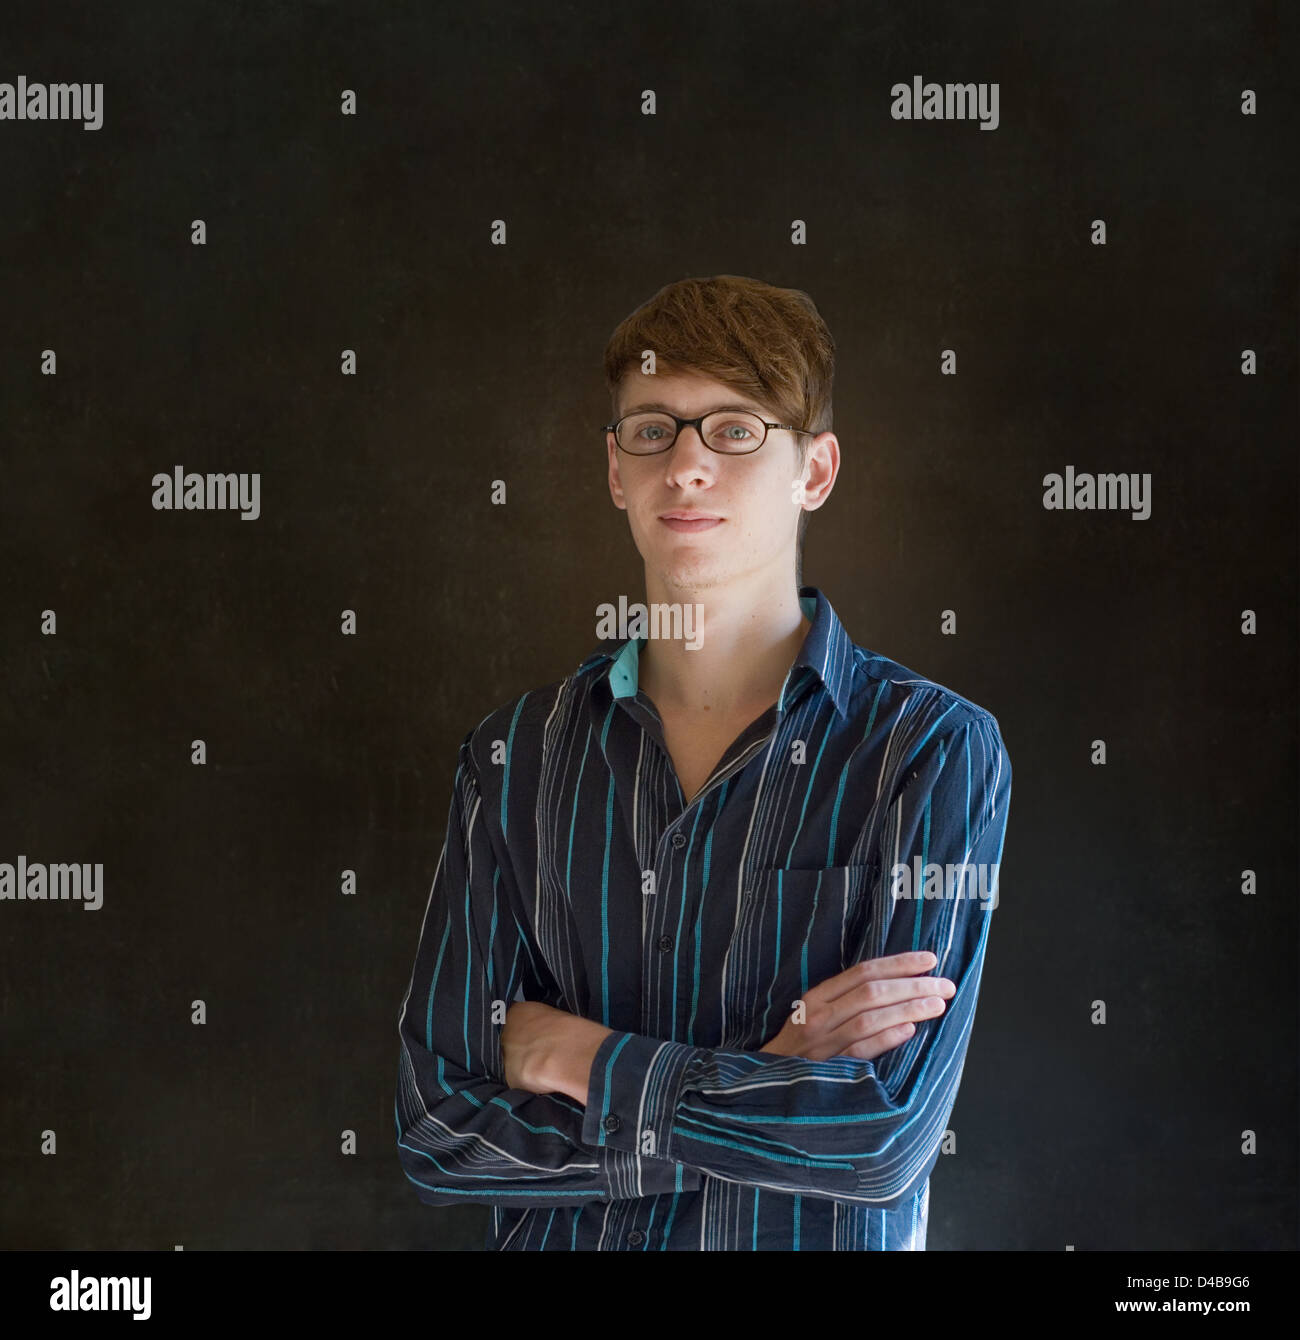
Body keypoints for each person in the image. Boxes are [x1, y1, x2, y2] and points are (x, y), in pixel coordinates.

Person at [395, 274, 1012, 1250]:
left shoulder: (928, 750)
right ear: (614, 468)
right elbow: (439, 1134)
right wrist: (768, 1076)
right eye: (652, 429)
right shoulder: (511, 757)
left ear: (814, 470)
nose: (684, 465)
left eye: (733, 429)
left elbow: (881, 1139)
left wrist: (584, 1055)